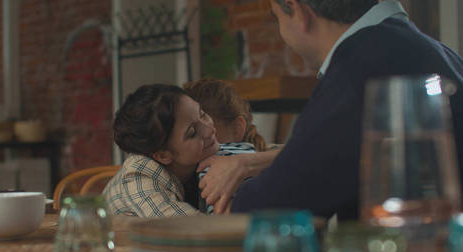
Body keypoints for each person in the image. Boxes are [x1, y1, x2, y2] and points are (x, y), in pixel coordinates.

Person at [198, 0, 463, 220]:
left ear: (298, 12)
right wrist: (248, 163)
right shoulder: (431, 52)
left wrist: (231, 202)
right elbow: (324, 156)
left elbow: (274, 204)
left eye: (277, 18)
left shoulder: (360, 67)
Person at [103, 84, 219, 217]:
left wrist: (243, 162)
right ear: (163, 155)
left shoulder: (195, 155)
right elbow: (196, 229)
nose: (210, 130)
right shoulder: (139, 178)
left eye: (202, 114)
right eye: (192, 132)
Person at [184, 78, 268, 213]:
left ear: (237, 129)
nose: (206, 131)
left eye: (205, 119)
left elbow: (223, 222)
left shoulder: (218, 160)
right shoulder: (255, 154)